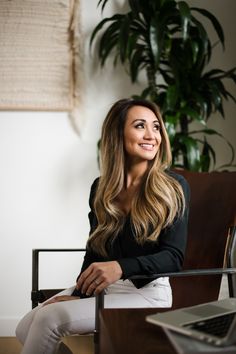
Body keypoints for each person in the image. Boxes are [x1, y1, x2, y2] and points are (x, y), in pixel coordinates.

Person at [16, 98, 190, 354]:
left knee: (48, 320)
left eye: (156, 127)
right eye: (140, 126)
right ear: (117, 134)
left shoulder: (173, 187)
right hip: (106, 287)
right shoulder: (102, 188)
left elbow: (173, 258)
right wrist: (80, 293)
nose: (152, 135)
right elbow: (95, 251)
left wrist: (120, 267)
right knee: (24, 327)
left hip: (147, 293)